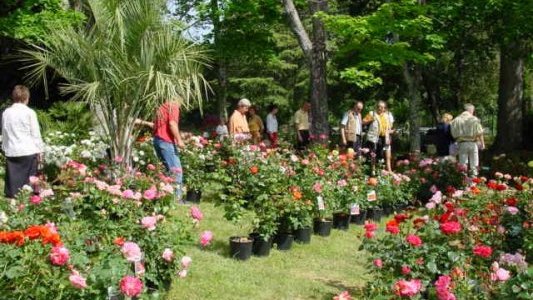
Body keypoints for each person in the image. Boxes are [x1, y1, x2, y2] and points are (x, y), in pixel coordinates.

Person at [2, 85, 44, 198]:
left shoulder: (6, 113)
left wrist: (5, 148)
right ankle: (27, 210)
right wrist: (40, 151)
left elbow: (4, 132)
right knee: (29, 187)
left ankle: (13, 209)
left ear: (13, 97)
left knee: (13, 189)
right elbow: (35, 134)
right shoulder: (30, 112)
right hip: (28, 152)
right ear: (27, 98)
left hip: (12, 152)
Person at [152, 98, 185, 202]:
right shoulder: (173, 106)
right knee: (176, 171)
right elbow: (172, 124)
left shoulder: (162, 106)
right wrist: (179, 140)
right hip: (166, 142)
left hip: (158, 140)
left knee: (166, 172)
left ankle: (165, 197)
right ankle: (176, 199)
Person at [450, 103, 485, 177]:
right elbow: (480, 132)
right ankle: (474, 181)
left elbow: (452, 132)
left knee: (463, 164)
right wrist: (482, 143)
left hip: (461, 143)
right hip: (473, 143)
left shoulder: (456, 120)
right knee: (474, 163)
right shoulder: (474, 119)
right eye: (473, 110)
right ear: (470, 110)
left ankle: (463, 181)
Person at [363, 101, 395, 172]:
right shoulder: (372, 113)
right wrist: (370, 120)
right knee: (373, 154)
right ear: (376, 107)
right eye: (378, 106)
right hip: (374, 137)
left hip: (384, 137)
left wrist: (388, 135)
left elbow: (390, 127)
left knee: (381, 155)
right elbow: (363, 122)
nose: (380, 108)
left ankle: (382, 171)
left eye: (382, 107)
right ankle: (373, 171)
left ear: (384, 108)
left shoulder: (387, 116)